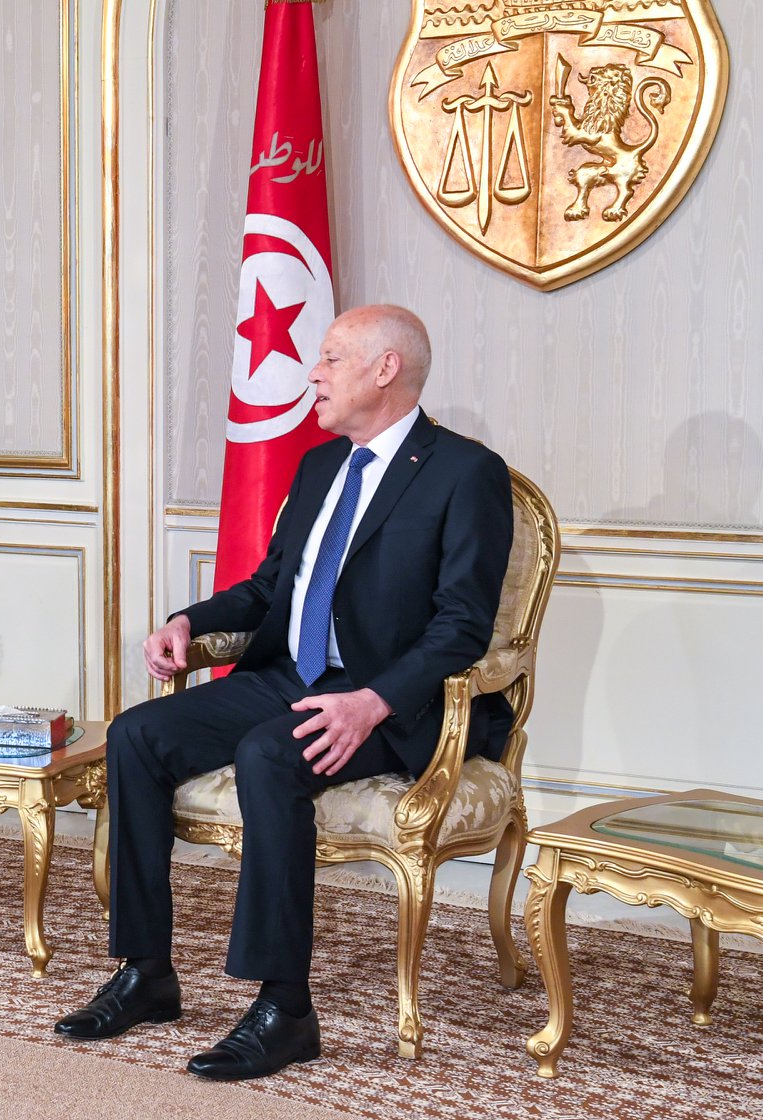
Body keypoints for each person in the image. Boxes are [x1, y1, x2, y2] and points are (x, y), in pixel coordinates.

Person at [54, 305, 513, 1080]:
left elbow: (462, 626)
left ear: (385, 368)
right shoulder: (320, 466)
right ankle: (145, 972)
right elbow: (272, 587)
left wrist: (372, 701)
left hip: (387, 700)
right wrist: (189, 621)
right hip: (290, 675)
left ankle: (285, 1008)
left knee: (270, 754)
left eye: (330, 358)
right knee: (137, 734)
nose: (312, 373)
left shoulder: (465, 473)